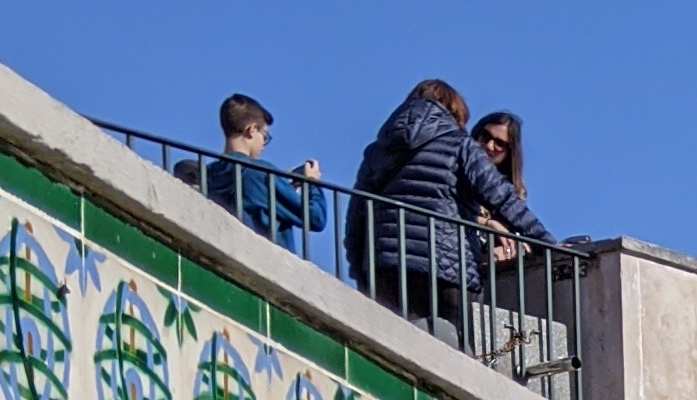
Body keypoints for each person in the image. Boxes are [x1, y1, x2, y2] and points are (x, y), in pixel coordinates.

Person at [345, 79, 547, 334]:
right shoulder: (459, 144)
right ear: (455, 112)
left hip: (385, 265)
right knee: (451, 342)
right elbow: (502, 198)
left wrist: (361, 271)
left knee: (389, 343)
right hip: (445, 265)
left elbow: (357, 215)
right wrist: (546, 244)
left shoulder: (377, 151)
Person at [189, 96, 328, 254]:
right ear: (252, 130)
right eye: (264, 136)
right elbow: (315, 218)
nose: (263, 144)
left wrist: (286, 187)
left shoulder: (208, 174)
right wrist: (311, 182)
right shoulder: (260, 174)